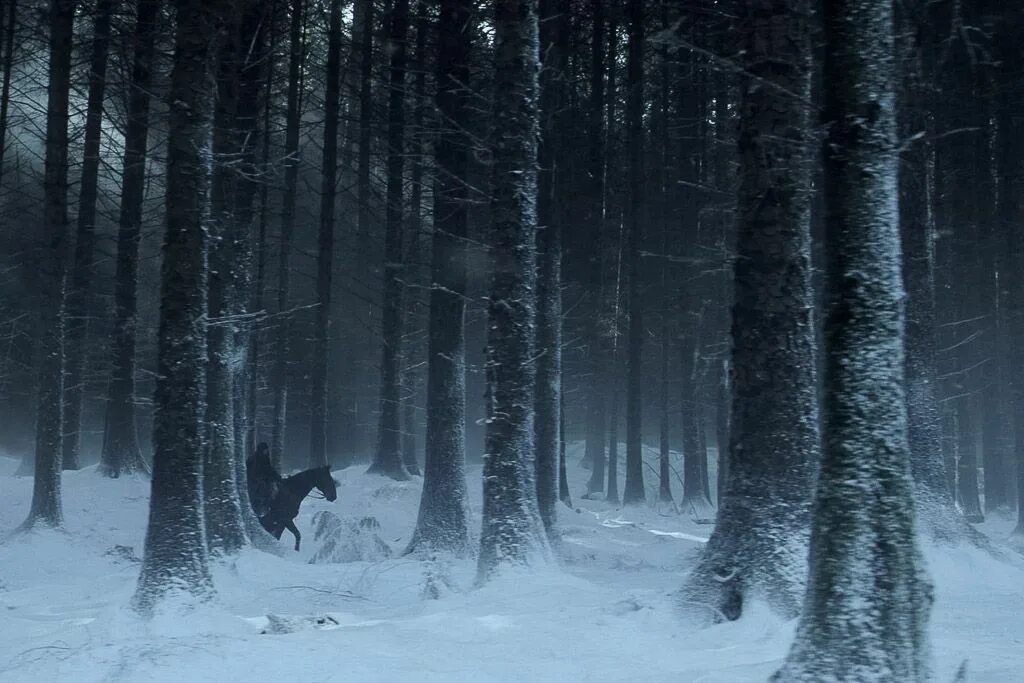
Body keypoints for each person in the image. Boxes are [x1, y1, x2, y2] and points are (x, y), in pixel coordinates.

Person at [246, 442, 281, 520]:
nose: (266, 451)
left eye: (267, 450)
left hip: (265, 481)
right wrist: (263, 478)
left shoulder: (265, 458)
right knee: (262, 493)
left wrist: (278, 477)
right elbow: (253, 472)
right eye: (265, 450)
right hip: (254, 483)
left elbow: (269, 469)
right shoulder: (253, 459)